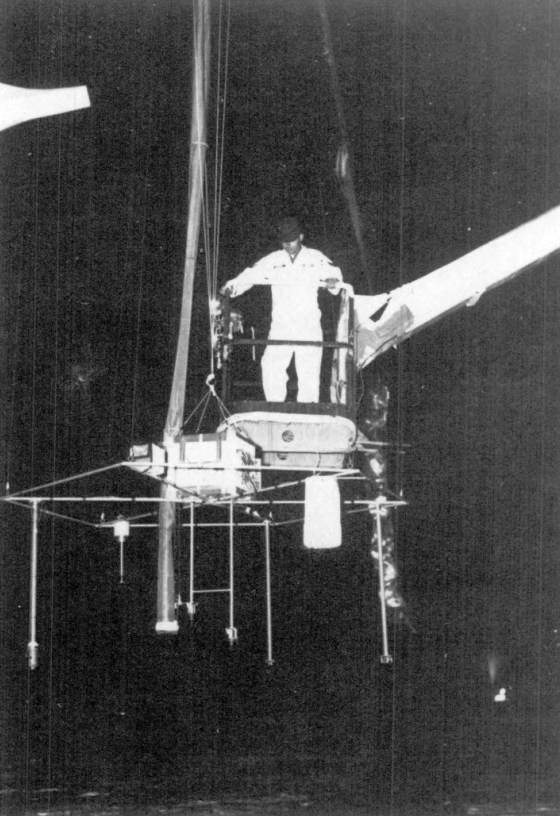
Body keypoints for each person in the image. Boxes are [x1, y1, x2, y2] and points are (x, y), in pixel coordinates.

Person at [220, 217, 343, 403]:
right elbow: (250, 275)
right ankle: (274, 407)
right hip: (281, 325)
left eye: (291, 240)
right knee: (271, 366)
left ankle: (308, 411)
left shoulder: (315, 257)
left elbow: (335, 275)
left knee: (308, 372)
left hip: (308, 325)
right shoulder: (273, 260)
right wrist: (232, 287)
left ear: (301, 237)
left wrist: (333, 281)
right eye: (284, 241)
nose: (288, 245)